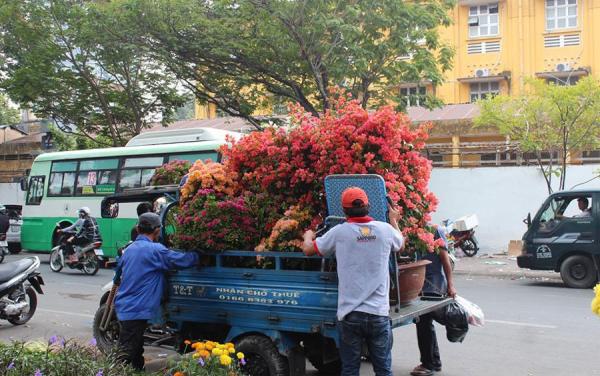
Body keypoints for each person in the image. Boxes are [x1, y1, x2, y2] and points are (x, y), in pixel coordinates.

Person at [301, 187, 404, 376]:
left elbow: (308, 250)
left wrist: (308, 236)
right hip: (378, 314)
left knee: (350, 369)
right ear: (368, 206)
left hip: (351, 315)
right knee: (383, 370)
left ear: (344, 210)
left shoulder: (340, 232)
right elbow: (401, 244)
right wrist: (394, 220)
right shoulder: (385, 230)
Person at [114, 212, 199, 371]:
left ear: (138, 229)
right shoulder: (155, 250)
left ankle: (137, 371)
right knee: (124, 355)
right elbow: (181, 260)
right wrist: (199, 254)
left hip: (125, 306)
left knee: (135, 351)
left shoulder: (130, 249)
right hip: (135, 309)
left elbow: (118, 272)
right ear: (157, 230)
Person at [410, 225, 457, 376]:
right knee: (425, 324)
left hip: (433, 285)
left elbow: (445, 260)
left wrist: (450, 285)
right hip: (422, 285)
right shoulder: (412, 231)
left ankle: (428, 364)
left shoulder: (435, 231)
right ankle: (434, 362)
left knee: (423, 325)